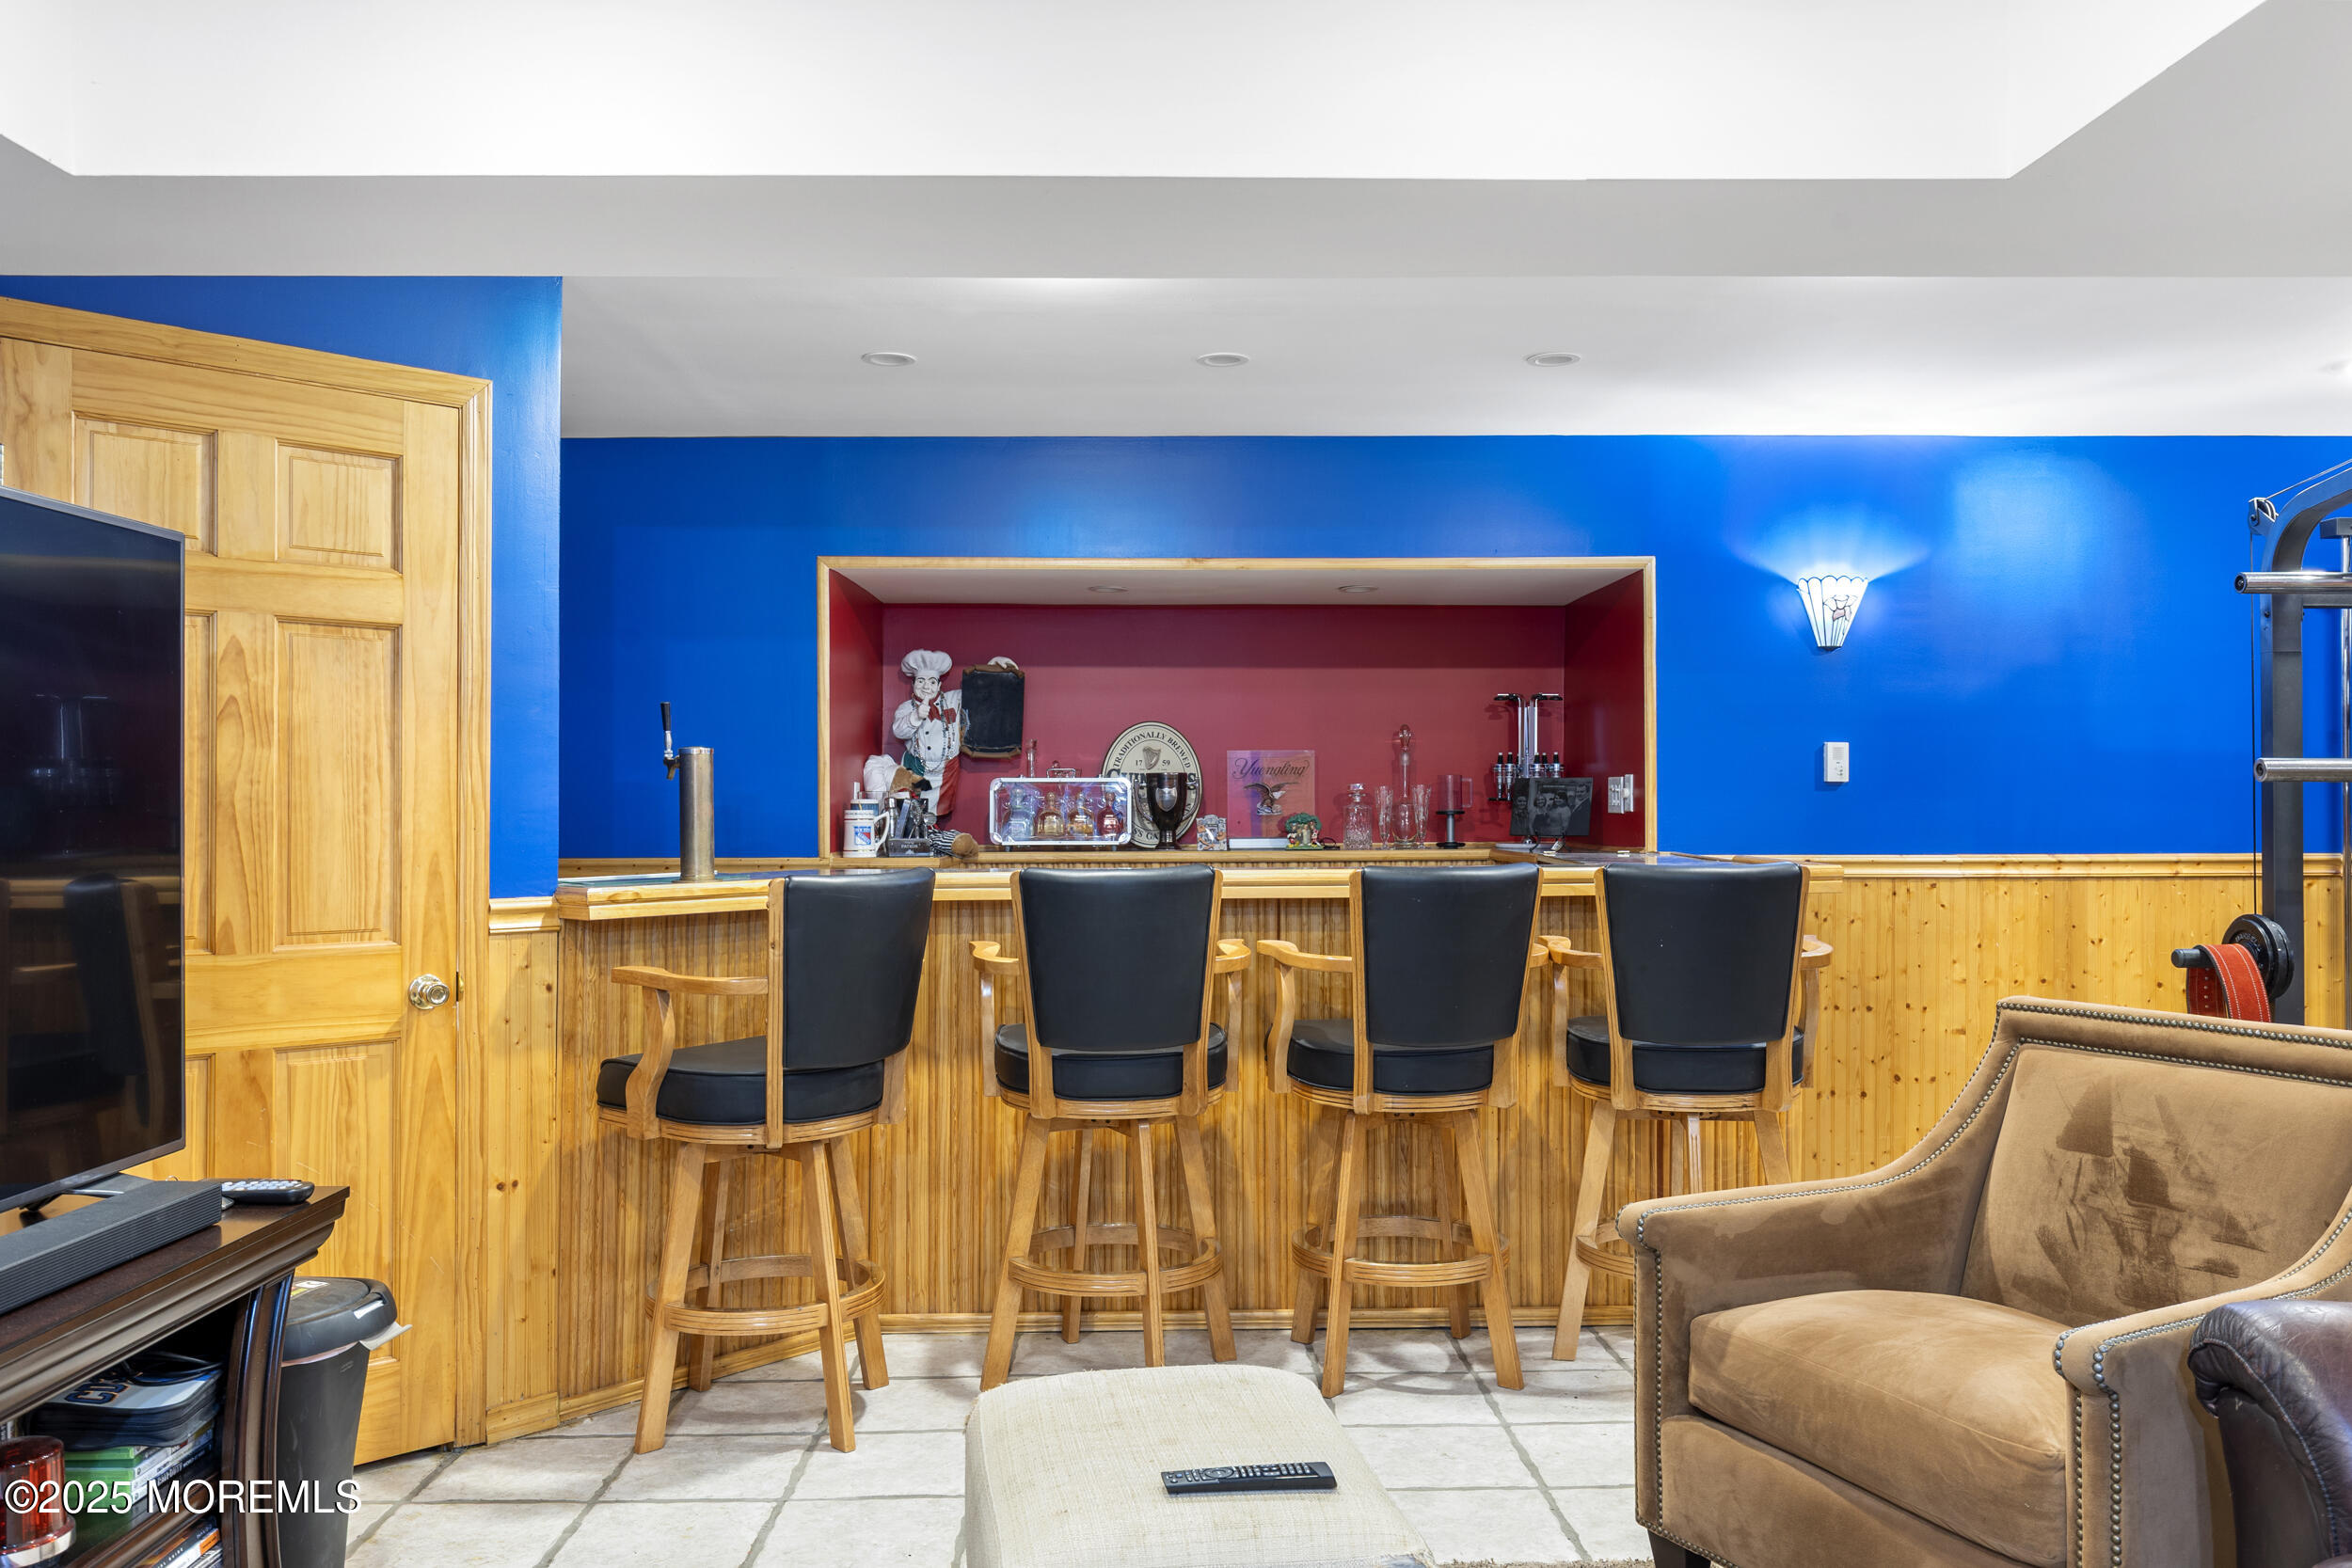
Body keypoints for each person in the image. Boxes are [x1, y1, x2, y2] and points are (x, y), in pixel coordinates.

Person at [891, 649, 962, 822]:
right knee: (910, 814)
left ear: (939, 685)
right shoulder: (906, 708)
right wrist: (916, 717)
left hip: (946, 771)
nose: (926, 687)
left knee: (932, 817)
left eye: (932, 682)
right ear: (913, 684)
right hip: (914, 768)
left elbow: (980, 689)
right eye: (921, 681)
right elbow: (898, 732)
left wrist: (995, 667)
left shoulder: (954, 700)